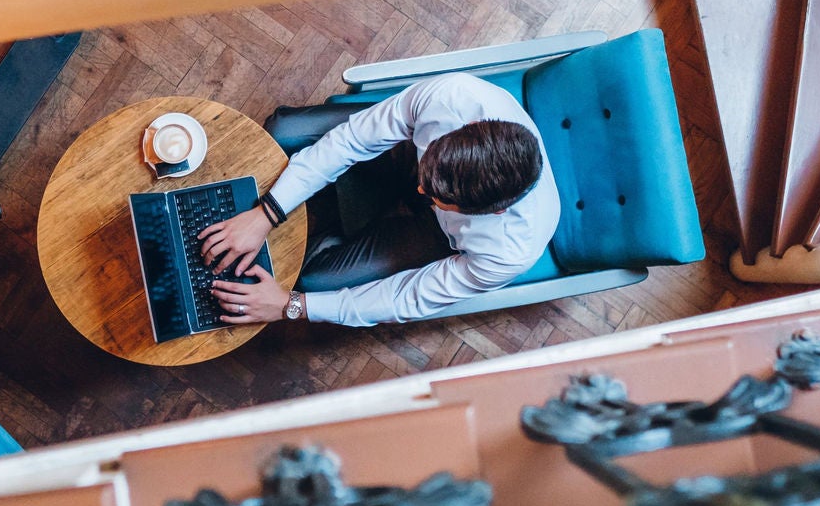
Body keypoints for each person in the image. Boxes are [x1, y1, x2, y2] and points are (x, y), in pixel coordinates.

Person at [198, 72, 557, 327]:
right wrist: (268, 212)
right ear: (464, 129)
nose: (422, 191)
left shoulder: (510, 252)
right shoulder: (452, 96)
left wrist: (290, 306)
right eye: (427, 180)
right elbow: (352, 139)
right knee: (284, 130)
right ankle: (334, 207)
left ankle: (332, 224)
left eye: (438, 197)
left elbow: (406, 298)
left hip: (436, 236)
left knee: (313, 284)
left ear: (495, 212)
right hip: (401, 155)